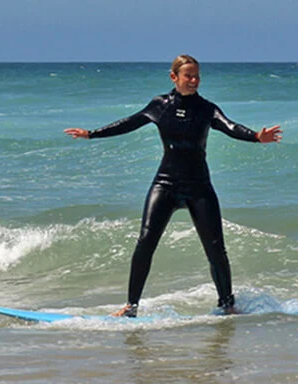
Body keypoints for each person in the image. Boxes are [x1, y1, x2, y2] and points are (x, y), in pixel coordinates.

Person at [64, 55, 282, 317]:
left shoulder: (206, 109)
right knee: (145, 242)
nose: (194, 81)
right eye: (188, 76)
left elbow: (230, 126)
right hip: (165, 184)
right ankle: (131, 306)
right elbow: (130, 122)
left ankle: (227, 305)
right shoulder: (160, 105)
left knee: (215, 248)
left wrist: (257, 137)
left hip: (199, 186)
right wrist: (92, 133)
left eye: (197, 76)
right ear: (174, 77)